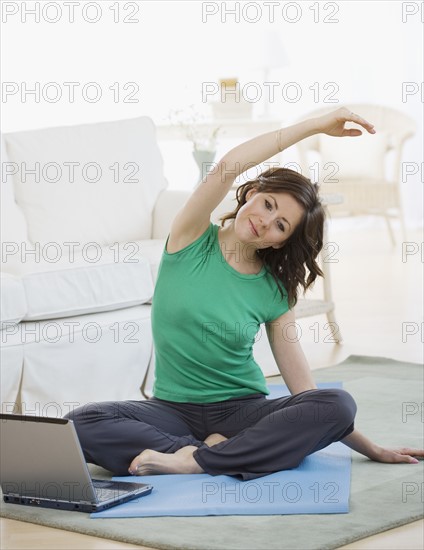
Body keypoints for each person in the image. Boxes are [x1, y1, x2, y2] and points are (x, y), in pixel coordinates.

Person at [65, 107, 423, 480]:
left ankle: (193, 461)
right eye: (268, 204)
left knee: (336, 404)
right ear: (252, 193)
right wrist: (314, 126)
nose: (265, 221)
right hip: (171, 412)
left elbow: (305, 392)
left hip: (242, 413)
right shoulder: (189, 239)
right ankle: (213, 453)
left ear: (282, 241)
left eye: (280, 225)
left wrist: (371, 448)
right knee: (80, 421)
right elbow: (229, 165)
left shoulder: (274, 290)